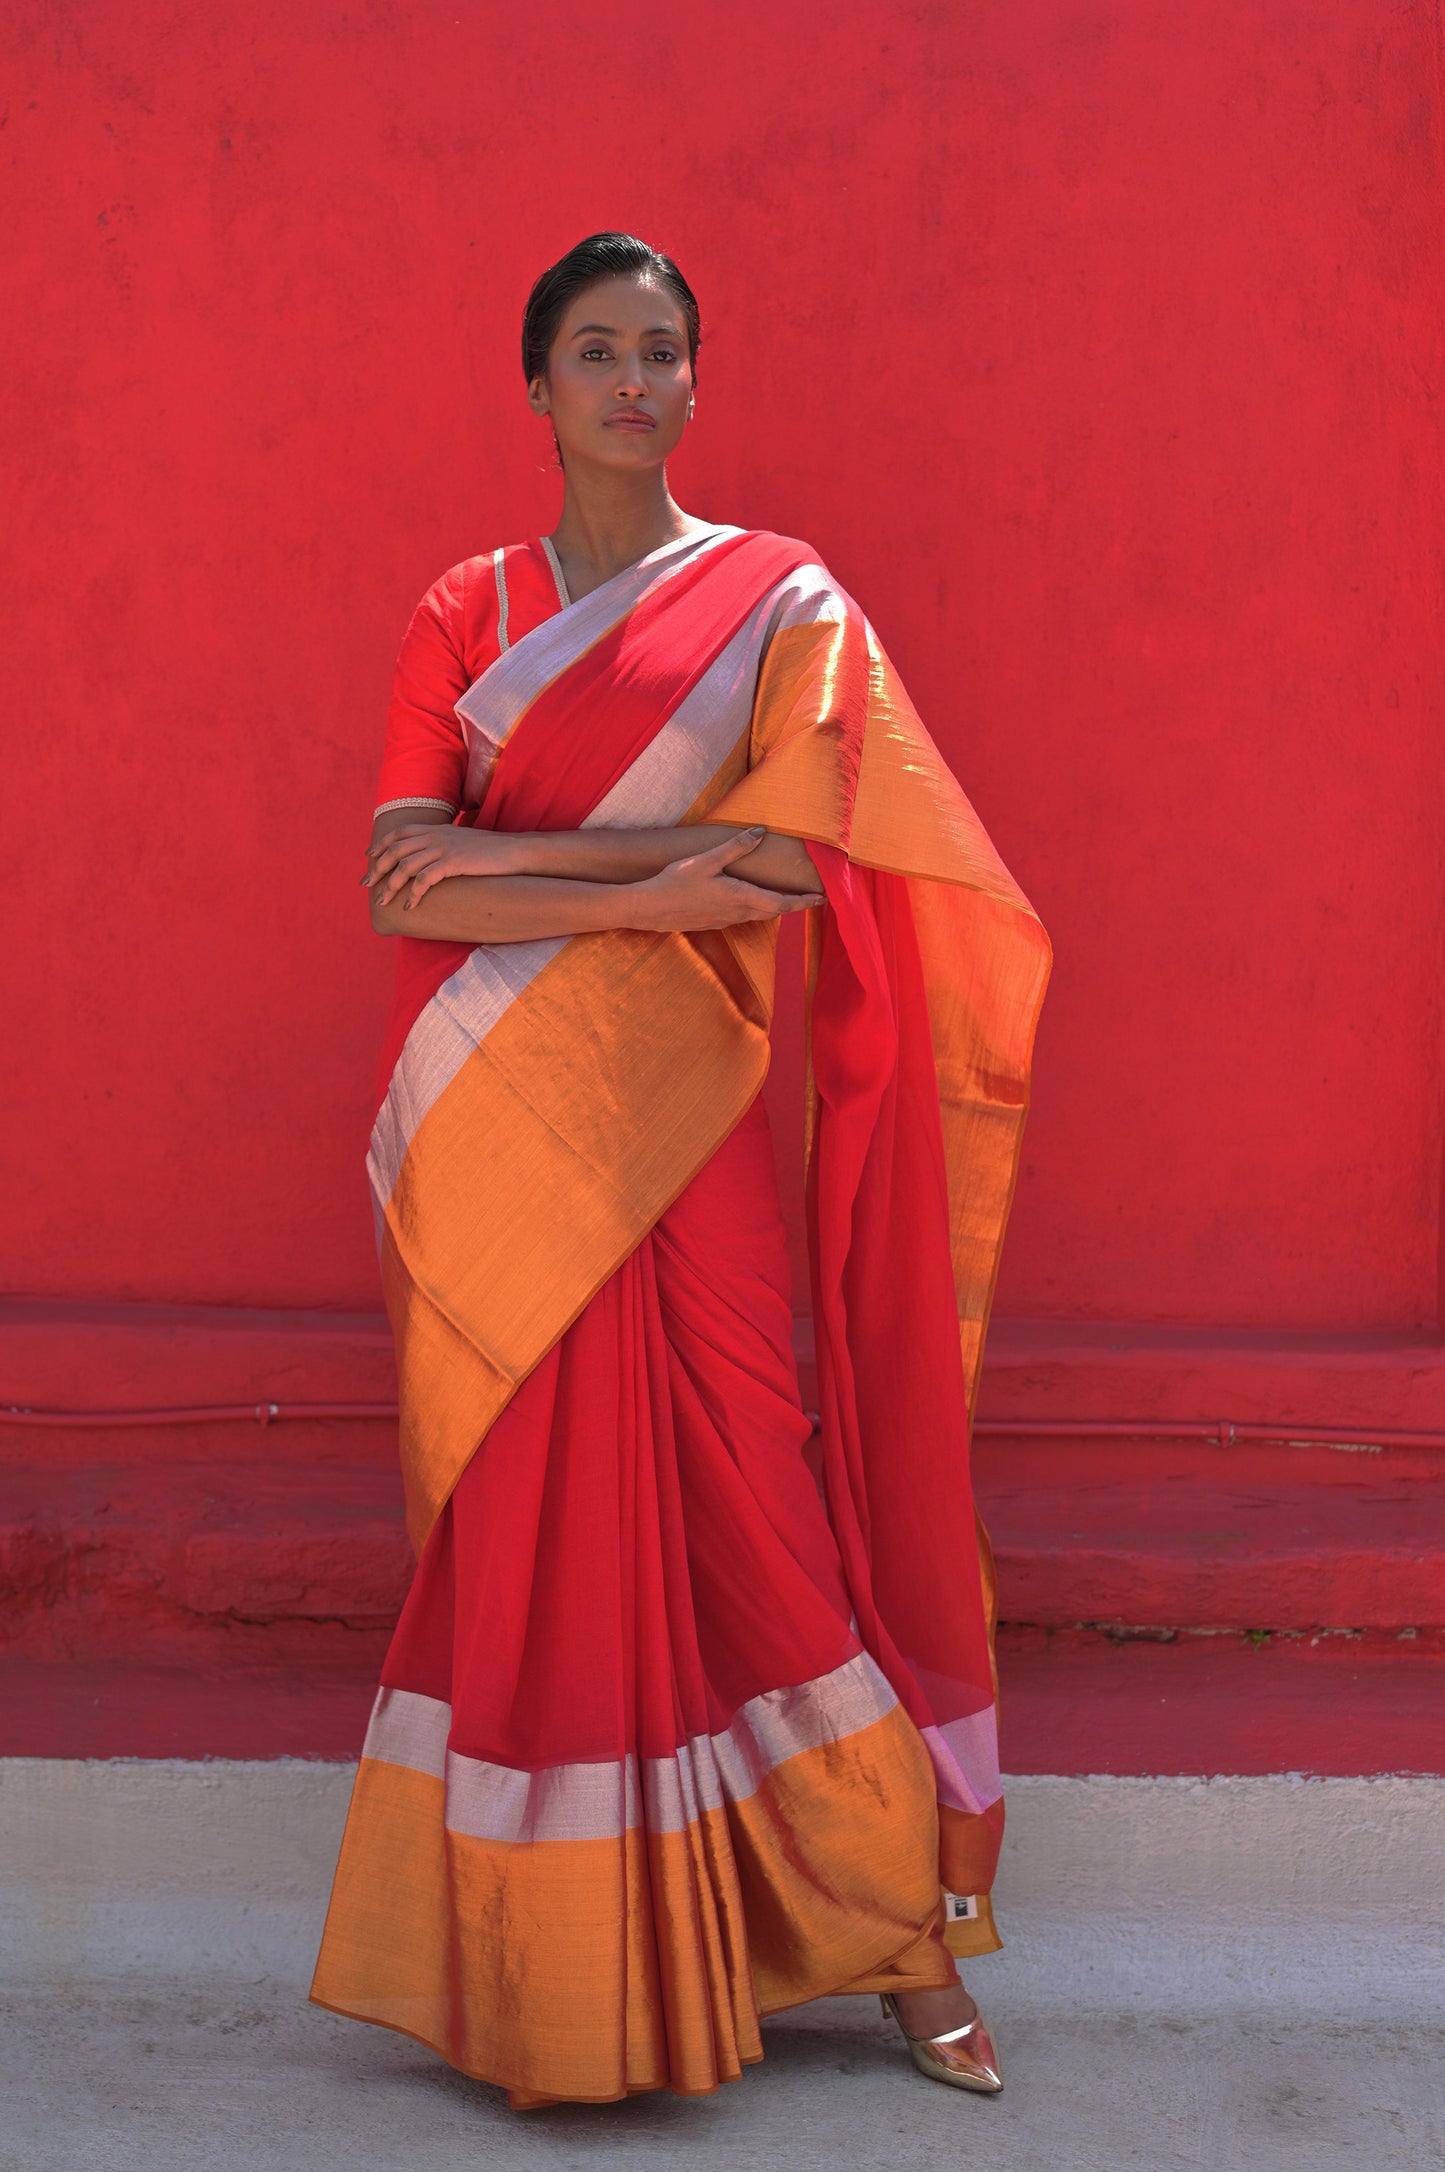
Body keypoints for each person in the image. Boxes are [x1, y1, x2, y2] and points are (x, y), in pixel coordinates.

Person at [310, 231, 1050, 2110]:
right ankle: (546, 1975)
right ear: (537, 387)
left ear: (695, 385)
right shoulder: (463, 609)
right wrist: (669, 880)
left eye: (661, 350)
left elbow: (807, 869)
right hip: (493, 1127)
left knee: (761, 1504)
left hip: (688, 1127)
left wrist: (547, 878)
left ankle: (891, 1931)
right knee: (530, 1531)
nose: (630, 379)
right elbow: (404, 872)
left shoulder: (781, 607)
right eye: (593, 349)